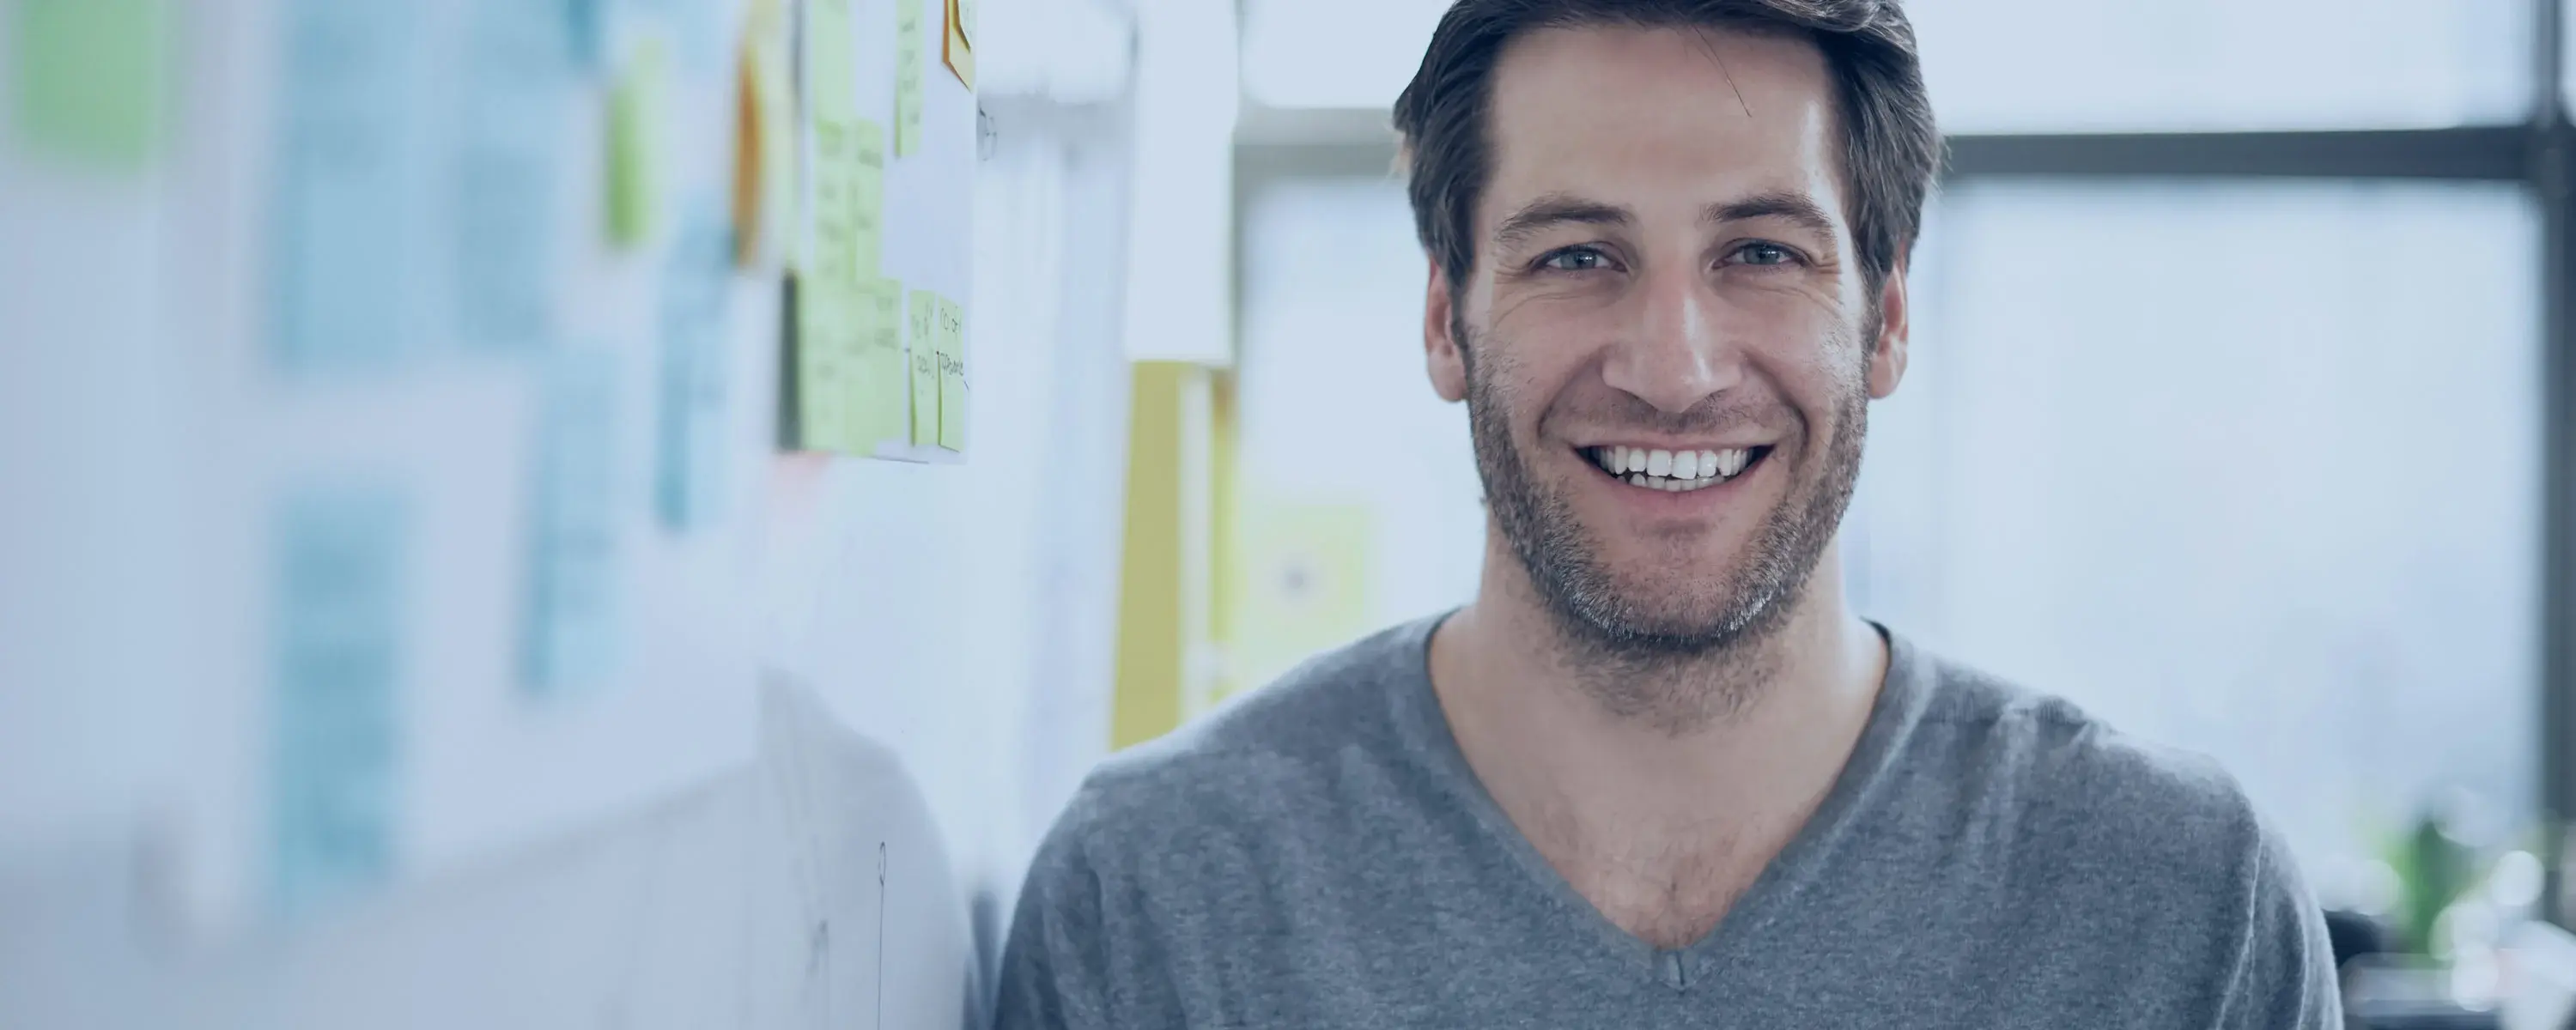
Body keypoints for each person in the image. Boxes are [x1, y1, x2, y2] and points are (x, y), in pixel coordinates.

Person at [994, 0, 2341, 1026]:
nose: (1674, 368)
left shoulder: (2181, 908)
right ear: (1442, 319)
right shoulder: (1161, 901)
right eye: (1579, 256)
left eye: (1761, 254)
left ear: (1886, 316)